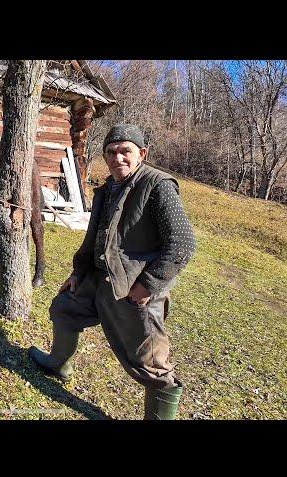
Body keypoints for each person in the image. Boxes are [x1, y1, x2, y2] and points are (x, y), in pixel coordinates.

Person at [29, 124, 196, 420]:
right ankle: (59, 364)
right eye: (111, 152)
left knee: (152, 364)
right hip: (98, 279)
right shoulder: (106, 190)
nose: (118, 157)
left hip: (134, 290)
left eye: (125, 151)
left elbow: (182, 245)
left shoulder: (158, 185)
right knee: (65, 307)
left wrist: (147, 286)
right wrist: (79, 273)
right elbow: (95, 237)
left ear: (141, 154)